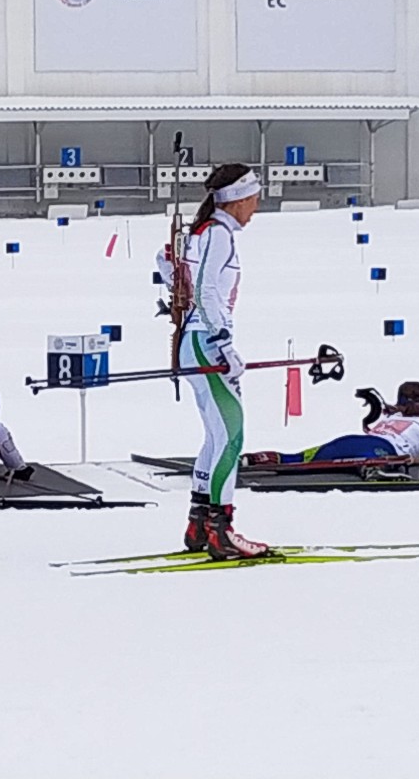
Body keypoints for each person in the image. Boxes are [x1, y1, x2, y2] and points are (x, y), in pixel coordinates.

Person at [171, 163, 268, 560]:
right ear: (240, 199)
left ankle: (199, 523)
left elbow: (179, 277)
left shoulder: (204, 232)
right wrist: (223, 343)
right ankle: (220, 531)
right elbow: (208, 290)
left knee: (216, 436)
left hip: (195, 342)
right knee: (232, 436)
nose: (256, 209)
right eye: (254, 200)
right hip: (205, 343)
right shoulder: (219, 234)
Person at [242, 381, 419, 471]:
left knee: (298, 458)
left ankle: (252, 459)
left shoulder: (388, 418)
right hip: (381, 450)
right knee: (378, 463)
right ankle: (373, 470)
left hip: (346, 442)